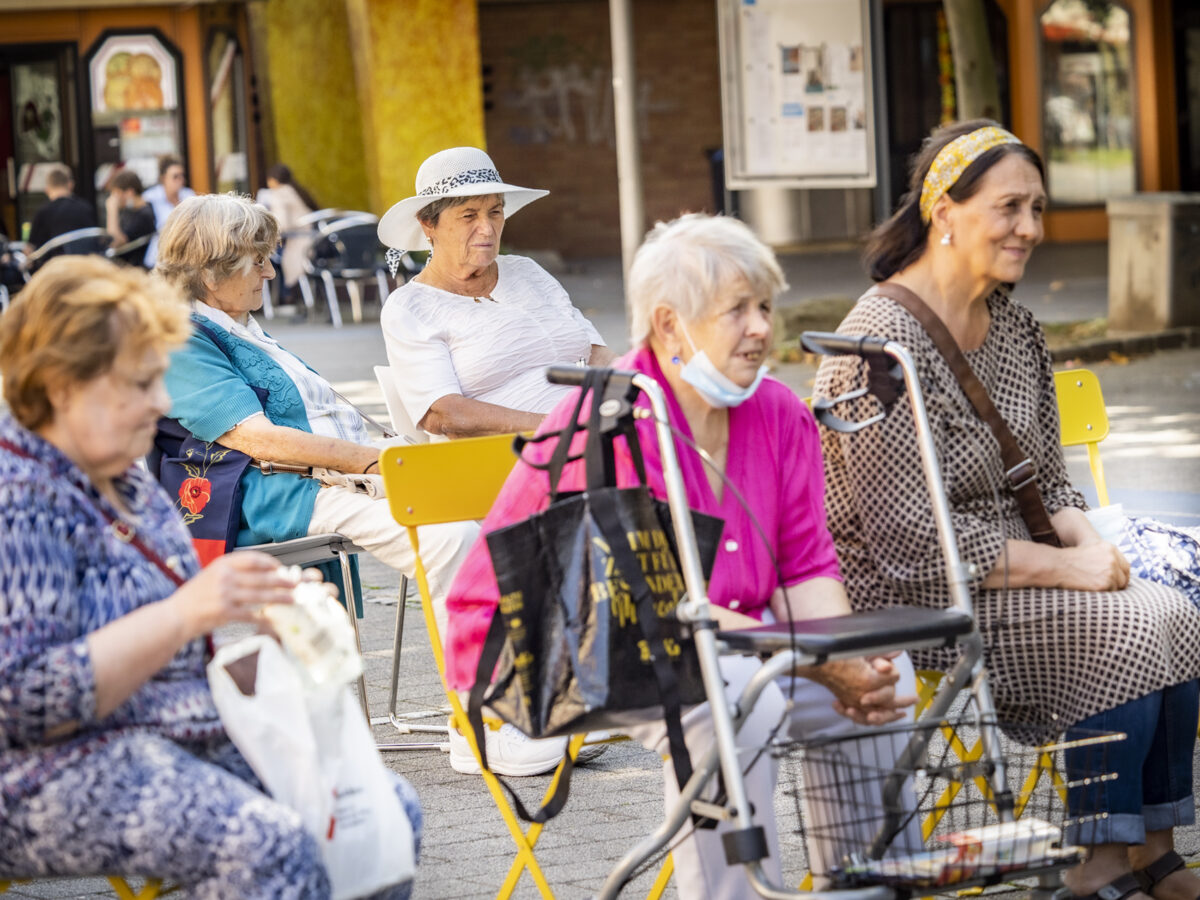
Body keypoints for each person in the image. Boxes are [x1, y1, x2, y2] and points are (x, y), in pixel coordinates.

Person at [443, 213, 916, 897]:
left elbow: (806, 567)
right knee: (734, 702)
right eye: (738, 311)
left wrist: (843, 658)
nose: (761, 328)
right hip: (556, 640)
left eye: (765, 307)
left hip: (725, 635)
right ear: (669, 326)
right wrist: (813, 663)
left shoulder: (781, 412)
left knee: (886, 678)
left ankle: (872, 888)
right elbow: (658, 612)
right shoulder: (615, 421)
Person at [814, 119, 1200, 900]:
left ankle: (1150, 849)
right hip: (914, 599)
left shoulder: (1018, 326)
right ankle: (1096, 861)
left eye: (1037, 207)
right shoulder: (876, 346)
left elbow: (1049, 483)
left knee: (1175, 608)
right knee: (1126, 628)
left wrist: (1093, 550)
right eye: (1009, 208)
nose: (1030, 228)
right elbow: (910, 547)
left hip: (1008, 569)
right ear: (944, 213)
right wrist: (1069, 568)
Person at [0, 255, 421, 897]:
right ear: (62, 387)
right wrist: (187, 614)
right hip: (47, 767)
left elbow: (174, 628)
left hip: (174, 727)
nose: (162, 403)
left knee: (382, 813)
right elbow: (24, 702)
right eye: (139, 383)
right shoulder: (20, 494)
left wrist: (261, 616)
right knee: (268, 846)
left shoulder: (124, 476)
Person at [155, 192, 475, 609]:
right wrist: (377, 462)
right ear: (213, 273)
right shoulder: (182, 338)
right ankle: (476, 671)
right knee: (452, 539)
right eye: (258, 260)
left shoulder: (237, 326)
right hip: (283, 494)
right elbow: (259, 440)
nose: (270, 272)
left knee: (483, 503)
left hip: (323, 480)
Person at [378, 146, 614, 439]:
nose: (487, 229)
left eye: (495, 212)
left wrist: (631, 393)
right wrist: (558, 425)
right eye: (469, 215)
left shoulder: (527, 271)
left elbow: (597, 354)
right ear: (429, 224)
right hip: (510, 455)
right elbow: (443, 414)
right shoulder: (410, 308)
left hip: (593, 430)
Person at [260, 163, 318, 300]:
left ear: (273, 179)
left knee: (272, 258)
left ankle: (288, 300)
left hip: (299, 244)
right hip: (313, 241)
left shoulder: (279, 193)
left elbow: (281, 224)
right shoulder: (296, 190)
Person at [28, 163, 96, 252]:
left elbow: (31, 248)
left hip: (54, 264)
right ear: (71, 184)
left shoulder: (43, 212)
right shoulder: (86, 208)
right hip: (82, 263)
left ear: (47, 189)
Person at [142, 154, 195, 267]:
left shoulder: (189, 195)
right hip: (158, 259)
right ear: (163, 178)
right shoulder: (150, 198)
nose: (180, 180)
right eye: (175, 176)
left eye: (182, 176)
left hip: (184, 258)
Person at [104, 169, 157, 267]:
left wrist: (112, 211)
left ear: (129, 192)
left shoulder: (144, 214)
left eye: (117, 194)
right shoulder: (130, 210)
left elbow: (116, 242)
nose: (115, 199)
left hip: (130, 268)